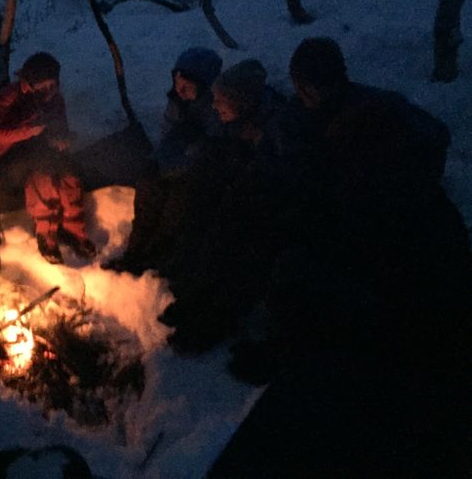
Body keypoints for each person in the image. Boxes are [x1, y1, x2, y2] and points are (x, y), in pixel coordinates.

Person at [212, 39, 472, 477]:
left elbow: (346, 294)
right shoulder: (414, 197)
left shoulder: (372, 207)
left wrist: (280, 351)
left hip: (400, 378)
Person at [159, 59, 300, 353]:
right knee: (207, 227)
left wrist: (255, 149)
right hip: (236, 201)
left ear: (242, 102)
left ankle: (217, 319)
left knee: (234, 245)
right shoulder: (232, 125)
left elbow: (284, 176)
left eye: (222, 101)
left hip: (267, 212)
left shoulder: (274, 127)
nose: (214, 106)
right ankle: (197, 298)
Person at [104, 47, 222, 274]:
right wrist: (157, 162)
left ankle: (156, 258)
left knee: (175, 206)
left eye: (186, 85)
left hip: (195, 172)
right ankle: (135, 253)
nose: (180, 89)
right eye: (177, 82)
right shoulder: (176, 103)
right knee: (148, 189)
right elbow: (167, 138)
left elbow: (211, 148)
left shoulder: (214, 107)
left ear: (204, 84)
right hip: (173, 164)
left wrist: (182, 162)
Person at [0, 52, 96, 265]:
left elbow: (60, 127)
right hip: (10, 158)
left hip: (42, 151)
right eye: (44, 86)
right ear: (30, 83)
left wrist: (63, 138)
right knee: (43, 171)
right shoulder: (11, 97)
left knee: (68, 171)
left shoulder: (55, 99)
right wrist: (29, 130)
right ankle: (45, 232)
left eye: (53, 85)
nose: (49, 90)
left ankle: (73, 228)